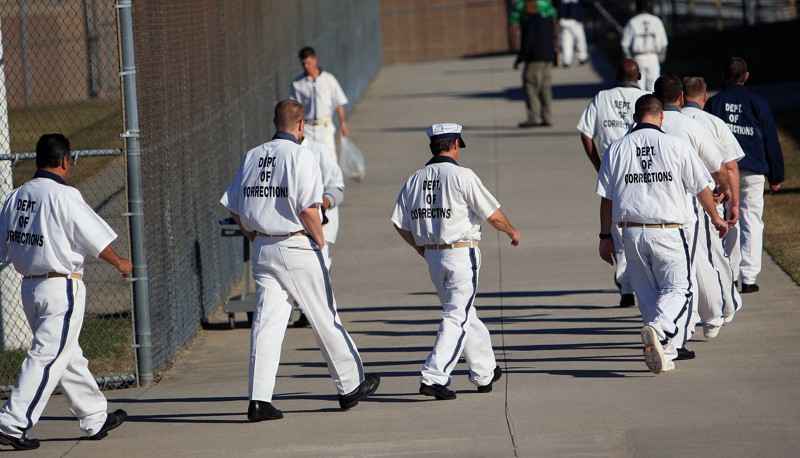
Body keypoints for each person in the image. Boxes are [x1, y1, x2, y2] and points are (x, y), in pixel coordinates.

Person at [220, 100, 379, 421]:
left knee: (266, 324)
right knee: (325, 315)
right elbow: (308, 209)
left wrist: (251, 234)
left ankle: (259, 399)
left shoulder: (253, 155)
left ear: (275, 122)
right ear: (301, 125)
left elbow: (233, 205)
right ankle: (350, 384)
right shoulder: (301, 155)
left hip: (263, 247)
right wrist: (319, 239)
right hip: (296, 245)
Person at [0, 134, 131, 451]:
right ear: (64, 161)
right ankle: (13, 422)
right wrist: (119, 263)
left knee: (67, 355)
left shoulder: (17, 196)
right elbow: (94, 239)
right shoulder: (64, 195)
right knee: (47, 356)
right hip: (62, 286)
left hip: (30, 288)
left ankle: (94, 417)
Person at [597, 95, 729, 374]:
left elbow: (606, 199)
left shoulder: (617, 148)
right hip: (668, 230)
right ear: (661, 117)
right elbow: (700, 187)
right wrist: (716, 217)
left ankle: (664, 352)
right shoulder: (675, 145)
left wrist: (604, 237)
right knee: (680, 289)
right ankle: (659, 328)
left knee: (647, 294)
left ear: (635, 116)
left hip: (630, 232)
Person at [391, 123, 521, 400]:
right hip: (461, 252)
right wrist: (511, 230)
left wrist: (420, 248)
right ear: (453, 144)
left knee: (464, 312)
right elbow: (493, 215)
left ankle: (485, 372)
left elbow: (400, 223)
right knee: (457, 316)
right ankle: (434, 376)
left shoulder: (415, 178)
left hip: (433, 256)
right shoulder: (462, 175)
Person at [706, 57, 785, 294]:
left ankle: (729, 273)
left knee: (728, 220)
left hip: (723, 171)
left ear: (724, 76)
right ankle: (749, 277)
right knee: (752, 220)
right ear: (746, 76)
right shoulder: (757, 102)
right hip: (752, 169)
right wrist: (776, 174)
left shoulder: (714, 103)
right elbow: (770, 138)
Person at [577, 59, 648, 307]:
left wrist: (598, 164)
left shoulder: (602, 98)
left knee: (617, 227)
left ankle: (627, 287)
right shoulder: (648, 97)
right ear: (638, 75)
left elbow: (585, 133)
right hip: (642, 167)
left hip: (614, 169)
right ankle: (643, 280)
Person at [681, 76, 745, 332]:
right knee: (713, 256)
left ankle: (706, 309)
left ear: (681, 97)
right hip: (709, 197)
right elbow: (729, 165)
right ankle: (724, 305)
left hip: (677, 199)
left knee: (691, 260)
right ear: (704, 96)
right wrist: (734, 201)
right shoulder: (712, 123)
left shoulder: (665, 121)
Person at [288, 137, 346, 329]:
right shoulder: (281, 153)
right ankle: (307, 309)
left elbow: (337, 187)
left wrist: (324, 203)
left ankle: (321, 312)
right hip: (291, 226)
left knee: (320, 267)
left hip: (320, 221)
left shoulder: (318, 150)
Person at [290, 46, 350, 155]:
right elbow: (295, 109)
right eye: (303, 64)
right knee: (308, 163)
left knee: (330, 164)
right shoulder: (297, 83)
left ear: (315, 60)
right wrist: (296, 130)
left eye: (308, 63)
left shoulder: (329, 79)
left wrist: (343, 124)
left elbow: (338, 104)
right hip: (307, 130)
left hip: (325, 128)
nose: (306, 66)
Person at [514, 0, 557, 128]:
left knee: (530, 86)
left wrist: (520, 59)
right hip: (548, 57)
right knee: (545, 87)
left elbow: (527, 42)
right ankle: (547, 117)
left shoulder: (528, 21)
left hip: (534, 58)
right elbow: (553, 37)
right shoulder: (547, 19)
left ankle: (533, 117)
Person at [621, 0, 668, 92]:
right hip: (653, 57)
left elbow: (624, 45)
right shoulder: (656, 20)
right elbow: (664, 43)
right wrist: (662, 56)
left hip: (638, 58)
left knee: (638, 87)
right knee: (654, 87)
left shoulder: (632, 21)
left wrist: (629, 59)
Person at [558, 0, 589, 67]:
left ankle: (566, 61)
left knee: (567, 41)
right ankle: (582, 57)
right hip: (574, 20)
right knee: (580, 39)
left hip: (565, 20)